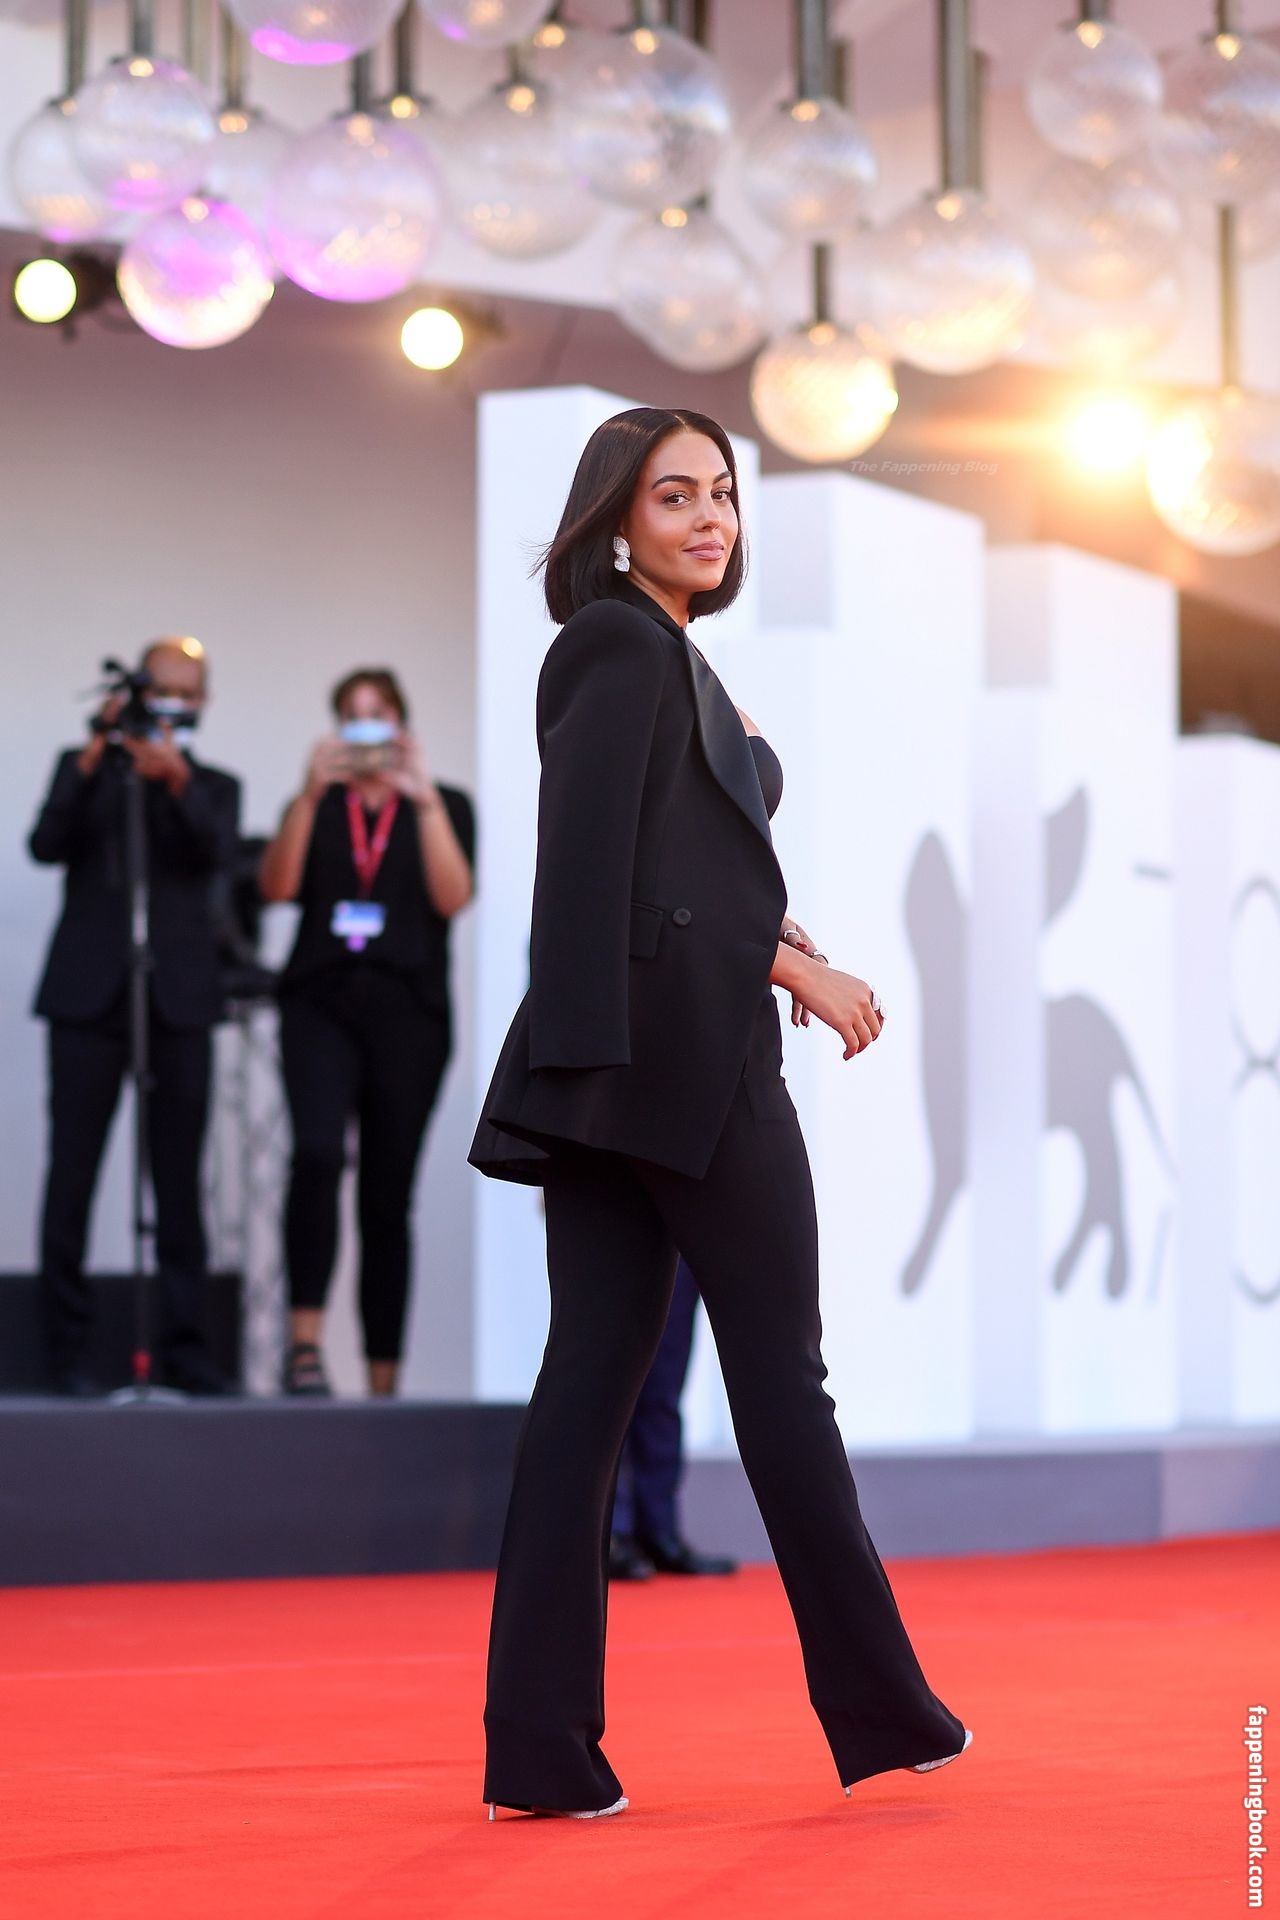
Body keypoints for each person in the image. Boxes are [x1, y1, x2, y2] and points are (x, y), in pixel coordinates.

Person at [469, 406, 972, 1820]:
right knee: (777, 1382)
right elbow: (599, 876)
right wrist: (790, 964)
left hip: (623, 1067)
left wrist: (767, 933)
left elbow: (668, 866)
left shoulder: (662, 653)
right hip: (677, 1067)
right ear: (615, 522)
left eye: (723, 494)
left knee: (589, 1390)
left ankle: (540, 1754)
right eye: (673, 496)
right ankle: (883, 1709)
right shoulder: (618, 644)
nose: (708, 519)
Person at [29, 637, 240, 1396]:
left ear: (201, 704)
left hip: (177, 1001)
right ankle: (64, 1353)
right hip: (88, 999)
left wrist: (176, 780)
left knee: (179, 1181)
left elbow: (215, 855)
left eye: (185, 692)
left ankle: (185, 1351)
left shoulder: (213, 784)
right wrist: (97, 753)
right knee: (72, 1176)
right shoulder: (85, 768)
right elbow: (45, 843)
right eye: (160, 691)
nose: (170, 705)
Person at [260, 668, 474, 1399]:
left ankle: (384, 1382)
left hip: (408, 1015)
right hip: (319, 1004)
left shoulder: (444, 804)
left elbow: (454, 896)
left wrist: (423, 798)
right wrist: (307, 794)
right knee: (316, 1156)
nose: (365, 727)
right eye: (351, 715)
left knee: (387, 1196)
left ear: (402, 725)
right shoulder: (317, 804)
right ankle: (305, 1351)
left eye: (377, 713)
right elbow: (277, 888)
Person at [608, 1253, 738, 1580]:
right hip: (616, 1228)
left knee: (664, 1384)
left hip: (685, 1235)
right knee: (611, 1385)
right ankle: (610, 1532)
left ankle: (658, 1530)